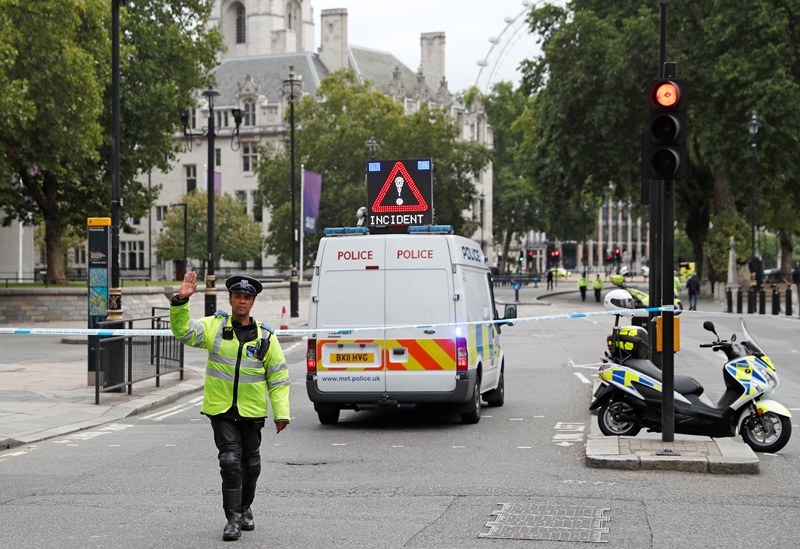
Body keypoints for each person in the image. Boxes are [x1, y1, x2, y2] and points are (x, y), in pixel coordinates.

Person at [170, 272, 290, 542]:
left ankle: (246, 507)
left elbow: (279, 378)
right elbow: (183, 332)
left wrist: (281, 412)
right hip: (221, 410)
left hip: (252, 411)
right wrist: (181, 301)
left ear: (253, 302)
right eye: (238, 296)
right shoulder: (215, 327)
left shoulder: (266, 338)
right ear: (231, 299)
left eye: (247, 297)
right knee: (230, 462)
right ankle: (232, 519)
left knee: (251, 465)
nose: (242, 301)